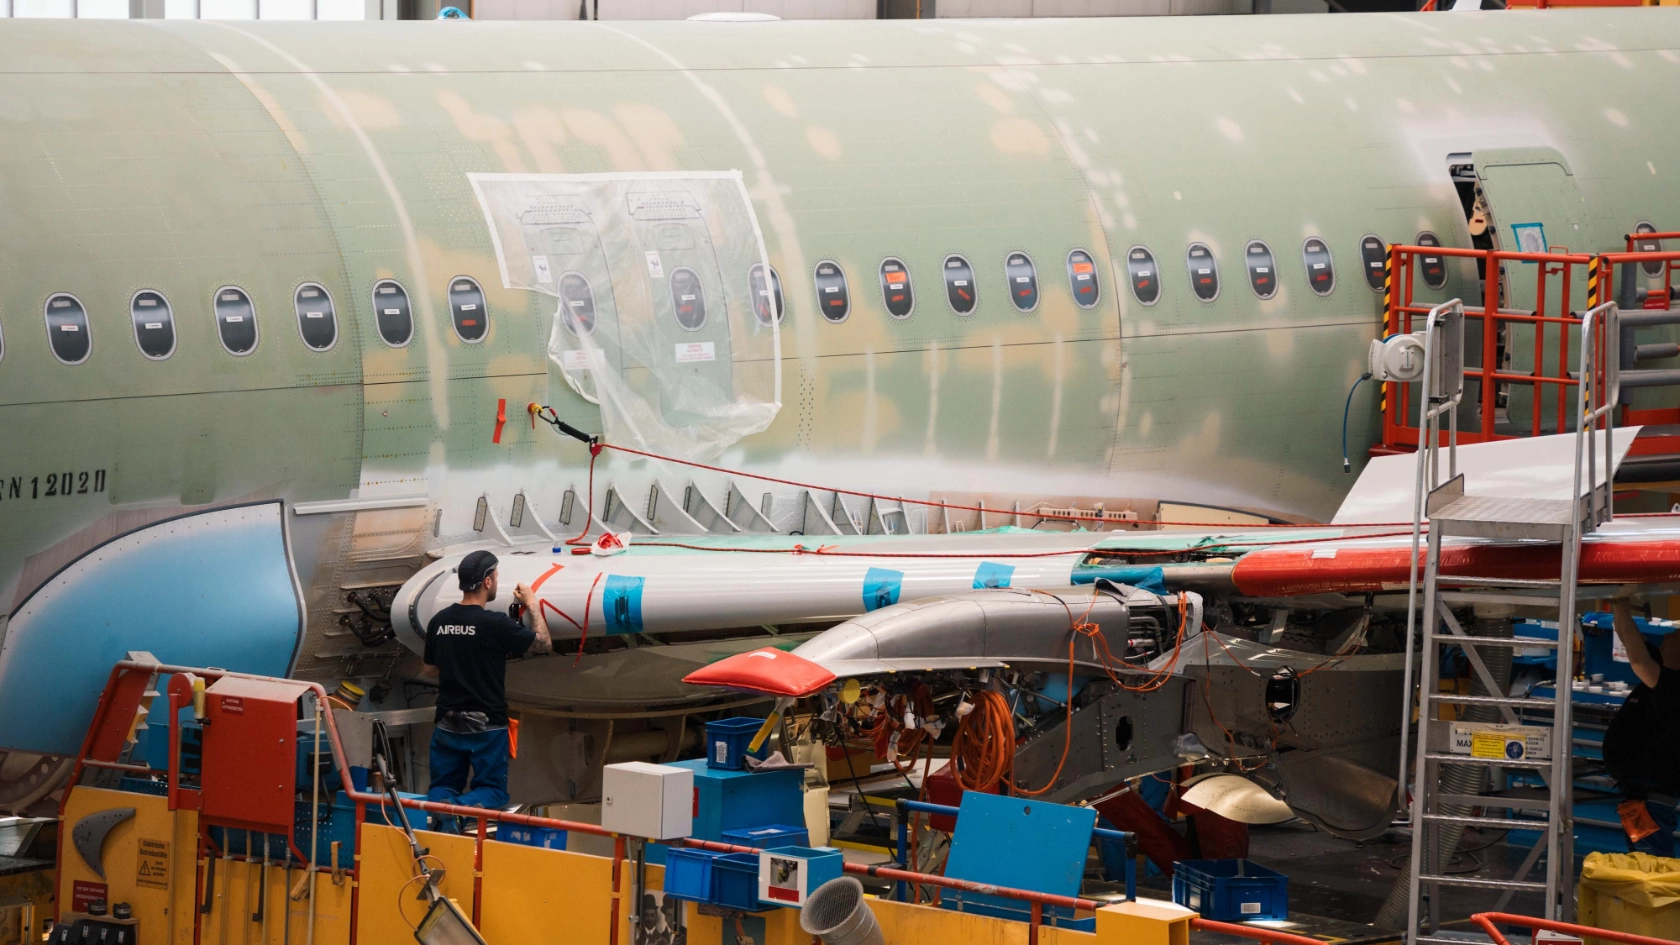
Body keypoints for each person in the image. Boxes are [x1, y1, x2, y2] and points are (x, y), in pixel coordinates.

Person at [422, 550, 550, 829]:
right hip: (486, 726)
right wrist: (532, 603)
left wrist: (459, 662)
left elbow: (429, 670)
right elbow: (543, 644)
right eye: (496, 576)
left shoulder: (439, 621)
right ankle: (457, 811)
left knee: (443, 785)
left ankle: (440, 822)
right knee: (493, 791)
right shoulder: (494, 623)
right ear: (487, 582)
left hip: (446, 722)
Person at [1601, 588, 1680, 855]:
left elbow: (1637, 660)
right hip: (1640, 795)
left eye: (1675, 636)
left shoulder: (1673, 684)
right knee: (1643, 863)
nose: (1667, 636)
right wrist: (1618, 603)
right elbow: (1627, 638)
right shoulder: (1662, 670)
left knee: (1653, 865)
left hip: (1652, 799)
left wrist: (1621, 604)